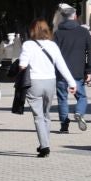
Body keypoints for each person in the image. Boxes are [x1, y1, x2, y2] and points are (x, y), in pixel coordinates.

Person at [17, 20, 72, 159]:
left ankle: (45, 146)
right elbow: (61, 65)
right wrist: (72, 82)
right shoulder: (53, 45)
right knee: (46, 114)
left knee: (38, 116)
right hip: (50, 82)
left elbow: (22, 65)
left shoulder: (28, 45)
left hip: (34, 82)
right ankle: (44, 143)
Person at [52, 4, 91, 131]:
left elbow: (54, 53)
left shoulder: (58, 33)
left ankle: (64, 125)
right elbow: (90, 51)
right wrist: (89, 70)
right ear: (75, 16)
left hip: (61, 72)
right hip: (78, 71)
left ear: (63, 18)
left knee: (62, 98)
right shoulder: (83, 32)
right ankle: (79, 113)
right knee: (81, 96)